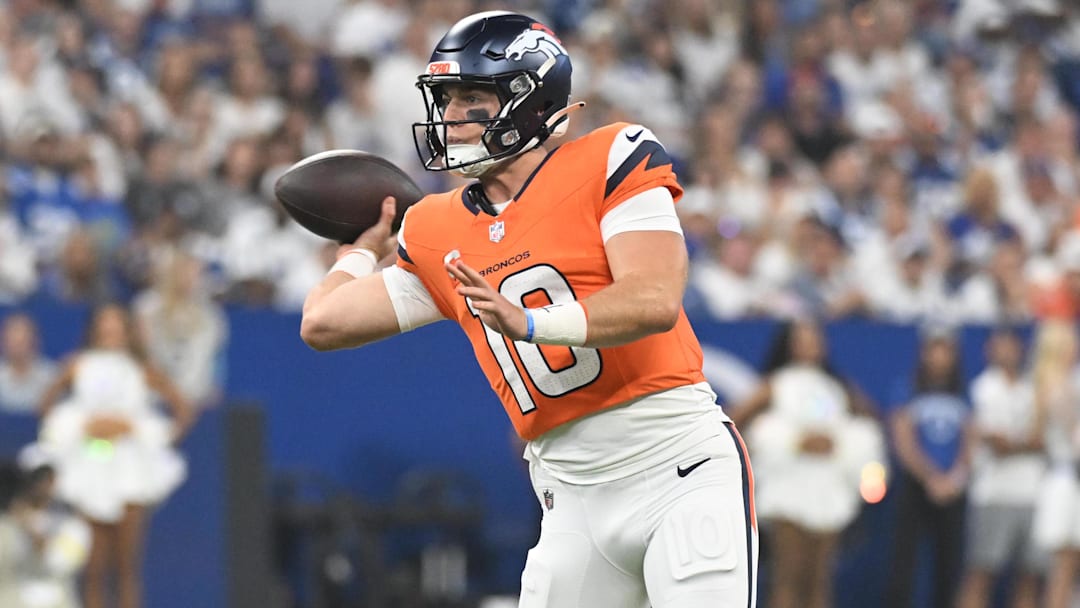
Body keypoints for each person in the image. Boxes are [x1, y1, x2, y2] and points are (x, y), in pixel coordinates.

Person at [300, 11, 758, 608]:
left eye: (471, 98)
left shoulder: (609, 157)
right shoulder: (436, 227)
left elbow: (654, 299)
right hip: (570, 498)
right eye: (446, 98)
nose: (450, 116)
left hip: (677, 467)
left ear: (530, 99)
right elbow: (322, 322)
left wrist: (532, 324)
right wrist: (360, 252)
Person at [34, 303, 193, 608]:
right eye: (104, 325)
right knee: (93, 566)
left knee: (126, 565)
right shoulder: (78, 365)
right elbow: (45, 404)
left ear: (127, 330)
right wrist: (78, 425)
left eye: (116, 324)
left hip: (129, 469)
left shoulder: (141, 369)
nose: (110, 331)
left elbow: (181, 409)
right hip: (89, 466)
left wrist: (147, 432)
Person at [729, 319, 883, 608]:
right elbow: (734, 419)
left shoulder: (837, 388)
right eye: (802, 338)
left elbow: (870, 419)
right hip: (787, 492)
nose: (810, 344)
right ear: (789, 344)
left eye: (814, 337)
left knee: (819, 579)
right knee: (789, 576)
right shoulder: (776, 384)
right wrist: (793, 441)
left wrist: (835, 442)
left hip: (827, 492)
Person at [884, 327, 974, 608]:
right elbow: (903, 440)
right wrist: (931, 477)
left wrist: (955, 478)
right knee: (904, 563)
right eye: (934, 349)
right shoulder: (908, 388)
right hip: (916, 486)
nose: (939, 356)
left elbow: (971, 440)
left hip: (953, 489)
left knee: (949, 565)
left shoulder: (962, 393)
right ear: (924, 353)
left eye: (946, 349)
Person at [957, 327, 1046, 608]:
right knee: (981, 573)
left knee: (1030, 576)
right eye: (1000, 345)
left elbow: (1042, 439)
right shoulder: (982, 388)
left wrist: (1022, 442)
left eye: (1011, 345)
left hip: (1033, 494)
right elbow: (999, 444)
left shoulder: (1032, 388)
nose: (1006, 352)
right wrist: (1028, 443)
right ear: (989, 350)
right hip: (993, 494)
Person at [0, 452, 91, 608]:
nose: (41, 485)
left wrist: (33, 535)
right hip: (11, 598)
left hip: (57, 600)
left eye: (47, 478)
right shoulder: (7, 524)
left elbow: (60, 564)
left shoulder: (72, 526)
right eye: (36, 478)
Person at [0, 313, 57, 415]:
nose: (17, 348)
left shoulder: (51, 375)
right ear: (3, 343)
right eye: (13, 342)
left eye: (22, 342)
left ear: (35, 341)